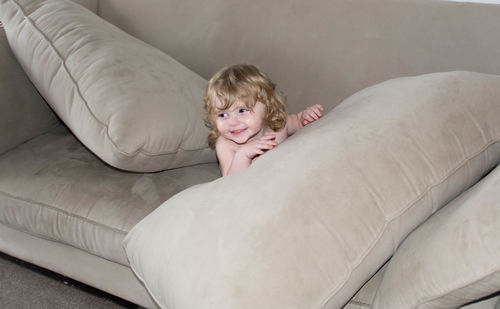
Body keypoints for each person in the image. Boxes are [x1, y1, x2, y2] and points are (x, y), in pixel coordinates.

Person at [204, 64, 323, 176]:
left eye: (242, 111)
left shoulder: (277, 125)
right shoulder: (226, 144)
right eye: (223, 115)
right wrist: (243, 155)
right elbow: (230, 182)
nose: (233, 122)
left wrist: (305, 117)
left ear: (268, 108)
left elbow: (299, 122)